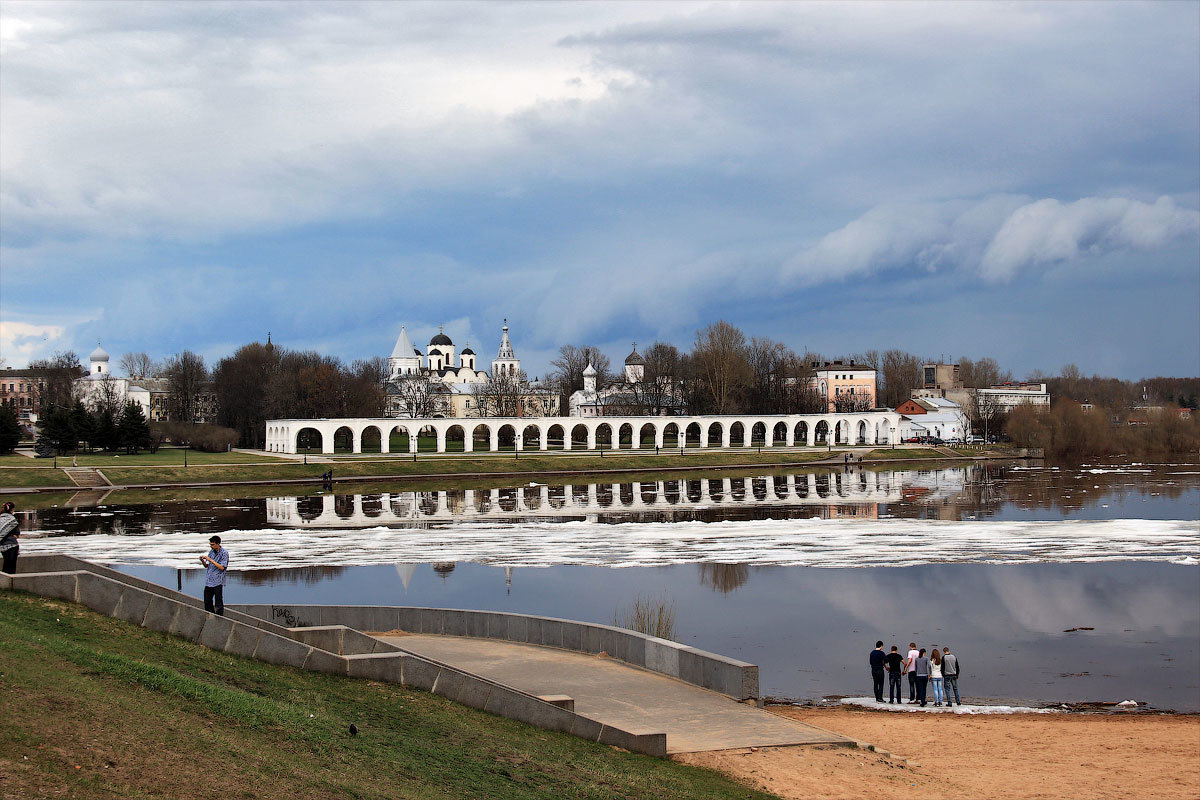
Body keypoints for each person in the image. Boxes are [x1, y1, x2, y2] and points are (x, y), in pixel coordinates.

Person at [199, 535, 229, 615]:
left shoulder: (224, 553)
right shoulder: (211, 552)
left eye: (212, 544)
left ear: (218, 543)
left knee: (218, 601)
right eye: (210, 544)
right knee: (207, 601)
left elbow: (222, 567)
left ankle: (219, 617)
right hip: (209, 580)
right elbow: (207, 566)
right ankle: (210, 615)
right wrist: (203, 561)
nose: (211, 546)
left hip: (218, 580)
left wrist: (211, 560)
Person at [0, 501, 19, 575]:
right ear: (12, 510)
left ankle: (4, 581)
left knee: (6, 564)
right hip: (13, 545)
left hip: (2, 546)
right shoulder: (12, 519)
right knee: (12, 566)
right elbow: (17, 533)